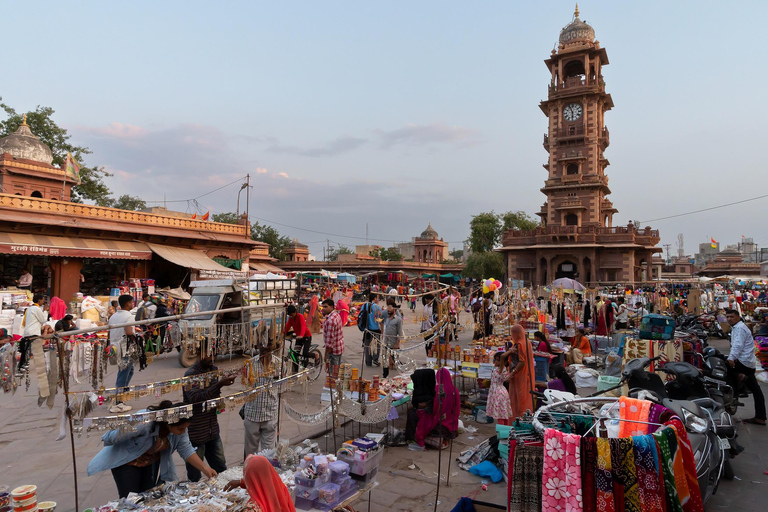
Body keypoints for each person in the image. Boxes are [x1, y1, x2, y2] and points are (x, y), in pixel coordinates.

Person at [87, 400, 217, 499]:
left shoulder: (180, 428)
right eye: (180, 429)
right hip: (127, 463)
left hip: (150, 463)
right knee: (130, 500)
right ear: (168, 422)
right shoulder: (143, 423)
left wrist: (206, 469)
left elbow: (186, 450)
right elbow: (112, 437)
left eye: (185, 428)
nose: (183, 432)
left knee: (148, 498)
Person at [183, 353, 236, 481]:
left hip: (213, 430)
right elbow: (196, 398)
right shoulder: (190, 374)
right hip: (196, 432)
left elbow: (212, 398)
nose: (213, 358)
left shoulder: (213, 370)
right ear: (199, 352)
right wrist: (218, 385)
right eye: (209, 354)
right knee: (195, 475)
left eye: (215, 354)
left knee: (221, 469)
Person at [725, 309, 766, 425]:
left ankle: (738, 379)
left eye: (732, 316)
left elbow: (737, 345)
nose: (729, 319)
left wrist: (731, 358)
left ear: (738, 317)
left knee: (721, 371)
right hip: (748, 363)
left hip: (743, 364)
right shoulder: (738, 327)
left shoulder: (739, 328)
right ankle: (760, 417)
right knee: (756, 390)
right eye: (727, 317)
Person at [224, 455, 296, 511]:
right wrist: (241, 482)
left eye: (247, 477)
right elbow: (263, 483)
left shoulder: (252, 508)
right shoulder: (281, 489)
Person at [411, 367, 460, 449]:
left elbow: (434, 410)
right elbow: (457, 409)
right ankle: (443, 439)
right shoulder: (455, 390)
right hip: (451, 426)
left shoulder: (437, 390)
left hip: (440, 426)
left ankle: (433, 440)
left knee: (421, 421)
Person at [242, 355, 279, 457]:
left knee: (269, 455)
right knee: (250, 455)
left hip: (270, 414)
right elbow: (245, 384)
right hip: (252, 414)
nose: (266, 345)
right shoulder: (250, 364)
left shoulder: (279, 364)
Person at [109, 295, 136, 413]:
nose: (132, 304)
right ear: (127, 303)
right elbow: (129, 332)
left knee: (129, 371)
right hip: (124, 348)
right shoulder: (129, 316)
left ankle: (121, 397)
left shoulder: (114, 316)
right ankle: (118, 403)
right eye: (131, 302)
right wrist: (137, 340)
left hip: (115, 347)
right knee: (123, 374)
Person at [502, 325, 535, 419]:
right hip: (526, 374)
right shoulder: (527, 342)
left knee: (518, 398)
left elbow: (522, 362)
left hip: (519, 375)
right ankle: (525, 416)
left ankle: (519, 418)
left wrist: (512, 373)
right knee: (524, 396)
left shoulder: (519, 344)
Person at [486, 352, 514, 425]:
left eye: (498, 360)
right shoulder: (498, 369)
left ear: (504, 362)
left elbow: (502, 356)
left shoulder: (501, 369)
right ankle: (505, 430)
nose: (496, 362)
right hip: (498, 392)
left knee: (501, 415)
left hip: (499, 394)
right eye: (495, 360)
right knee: (503, 414)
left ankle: (502, 431)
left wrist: (510, 350)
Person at [285, 305, 312, 371]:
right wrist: (282, 333)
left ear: (295, 312)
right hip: (298, 338)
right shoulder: (291, 319)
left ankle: (316, 355)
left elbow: (303, 326)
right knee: (295, 355)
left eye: (292, 315)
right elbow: (287, 326)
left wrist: (301, 335)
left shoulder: (300, 316)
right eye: (290, 315)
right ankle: (295, 373)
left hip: (306, 336)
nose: (291, 316)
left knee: (305, 353)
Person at [381, 299, 403, 378]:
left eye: (390, 308)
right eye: (388, 308)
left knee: (396, 361)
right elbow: (385, 330)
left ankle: (402, 376)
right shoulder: (387, 319)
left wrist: (397, 343)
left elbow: (400, 333)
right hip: (386, 343)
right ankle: (385, 376)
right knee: (385, 361)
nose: (388, 309)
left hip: (394, 344)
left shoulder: (398, 320)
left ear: (394, 309)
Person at [360, 293, 382, 367]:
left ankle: (368, 361)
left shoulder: (364, 305)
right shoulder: (377, 307)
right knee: (377, 345)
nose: (378, 299)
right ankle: (375, 358)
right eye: (377, 298)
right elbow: (380, 319)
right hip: (376, 328)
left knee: (367, 345)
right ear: (374, 298)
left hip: (367, 328)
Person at [321, 298, 344, 370]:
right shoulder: (336, 315)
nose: (323, 309)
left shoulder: (330, 320)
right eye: (323, 307)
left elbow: (329, 341)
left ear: (331, 307)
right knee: (337, 372)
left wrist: (326, 355)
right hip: (339, 348)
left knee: (333, 374)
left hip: (333, 351)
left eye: (326, 307)